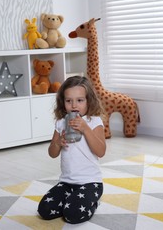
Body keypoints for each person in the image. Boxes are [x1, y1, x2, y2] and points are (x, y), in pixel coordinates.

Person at [37, 76, 106, 224]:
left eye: (80, 100)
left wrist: (85, 129)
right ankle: (72, 200)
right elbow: (52, 153)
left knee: (72, 216)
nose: (74, 105)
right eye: (69, 101)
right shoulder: (61, 122)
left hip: (90, 182)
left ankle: (93, 203)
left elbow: (101, 151)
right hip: (66, 183)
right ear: (63, 102)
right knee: (45, 210)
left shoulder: (94, 122)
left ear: (89, 100)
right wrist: (58, 143)